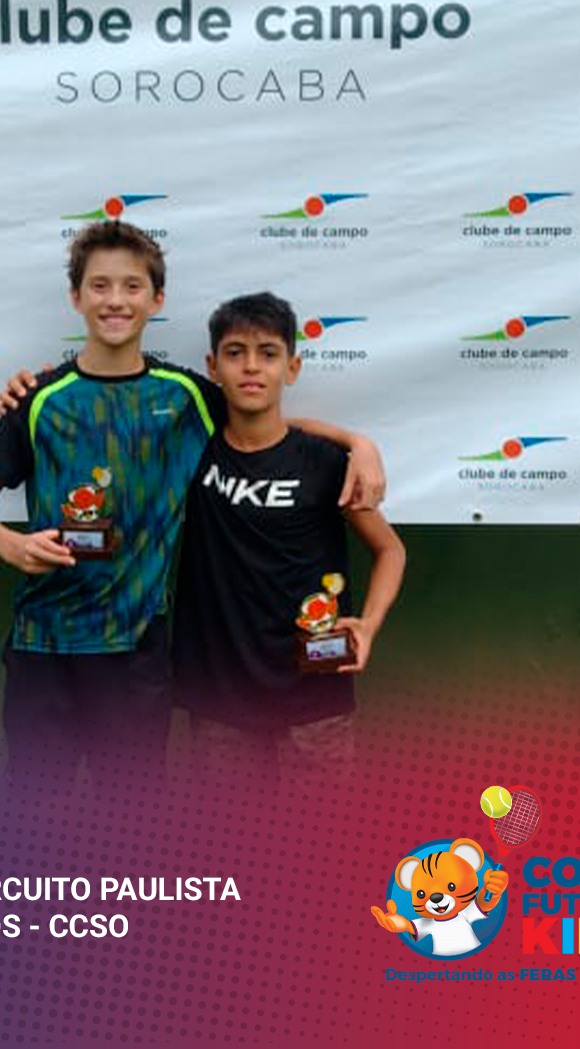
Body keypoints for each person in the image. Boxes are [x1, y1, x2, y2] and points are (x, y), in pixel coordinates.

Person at [0, 222, 384, 800]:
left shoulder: (186, 396)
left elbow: (264, 423)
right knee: (36, 810)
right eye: (100, 285)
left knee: (131, 817)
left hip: (138, 655)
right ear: (75, 297)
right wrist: (14, 545)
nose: (115, 300)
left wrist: (357, 443)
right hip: (42, 648)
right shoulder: (37, 399)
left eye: (132, 286)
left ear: (156, 300)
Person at [173, 292, 406, 794]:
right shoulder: (192, 450)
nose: (251, 367)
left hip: (315, 695)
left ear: (292, 367)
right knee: (228, 835)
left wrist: (368, 625)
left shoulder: (325, 463)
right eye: (235, 353)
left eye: (268, 353)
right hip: (220, 696)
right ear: (213, 367)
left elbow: (391, 550)